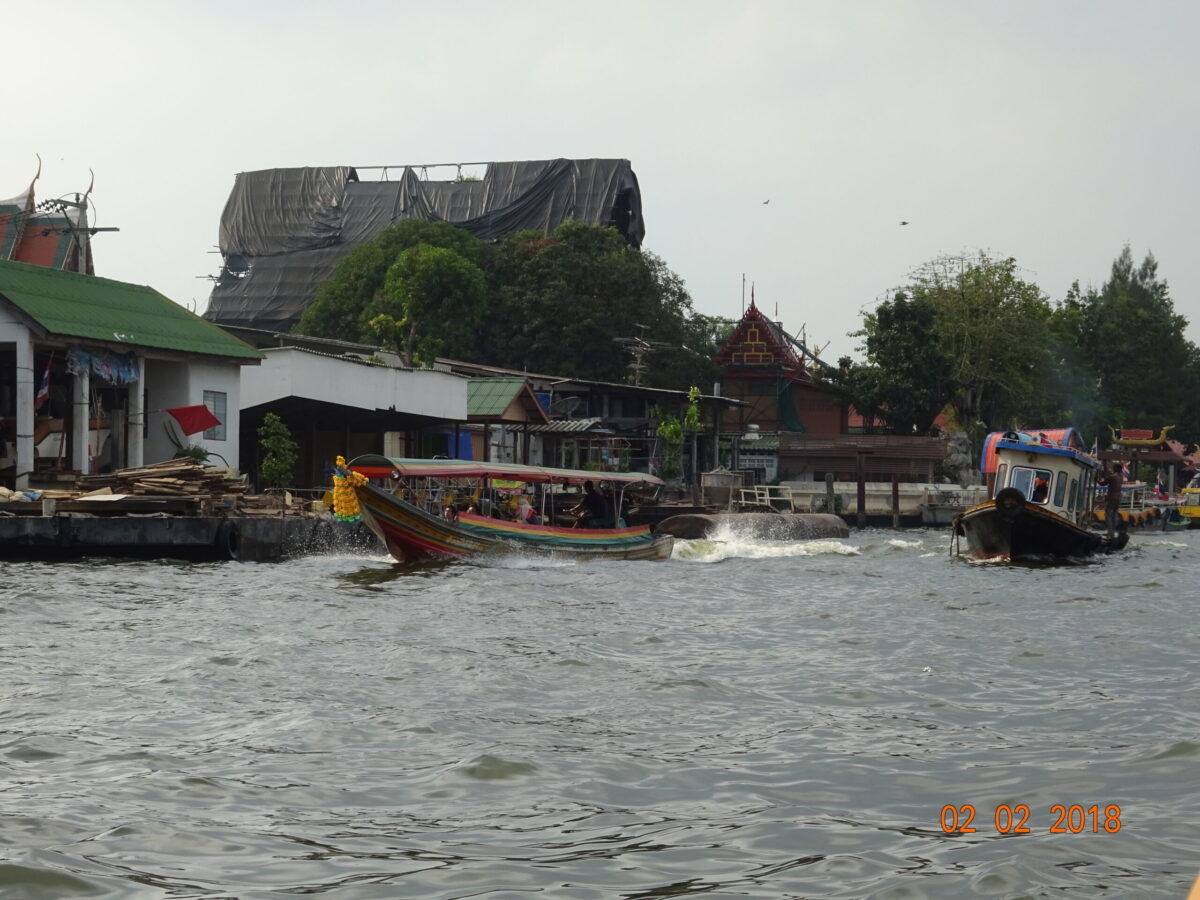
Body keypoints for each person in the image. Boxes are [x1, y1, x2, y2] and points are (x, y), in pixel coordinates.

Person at [1101, 462, 1123, 538]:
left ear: (1117, 468)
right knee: (1114, 515)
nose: (1113, 468)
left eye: (1114, 467)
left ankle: (1110, 532)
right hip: (1118, 498)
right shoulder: (1121, 477)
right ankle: (1113, 532)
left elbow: (1102, 483)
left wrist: (1097, 480)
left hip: (1112, 498)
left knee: (1108, 515)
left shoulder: (1113, 476)